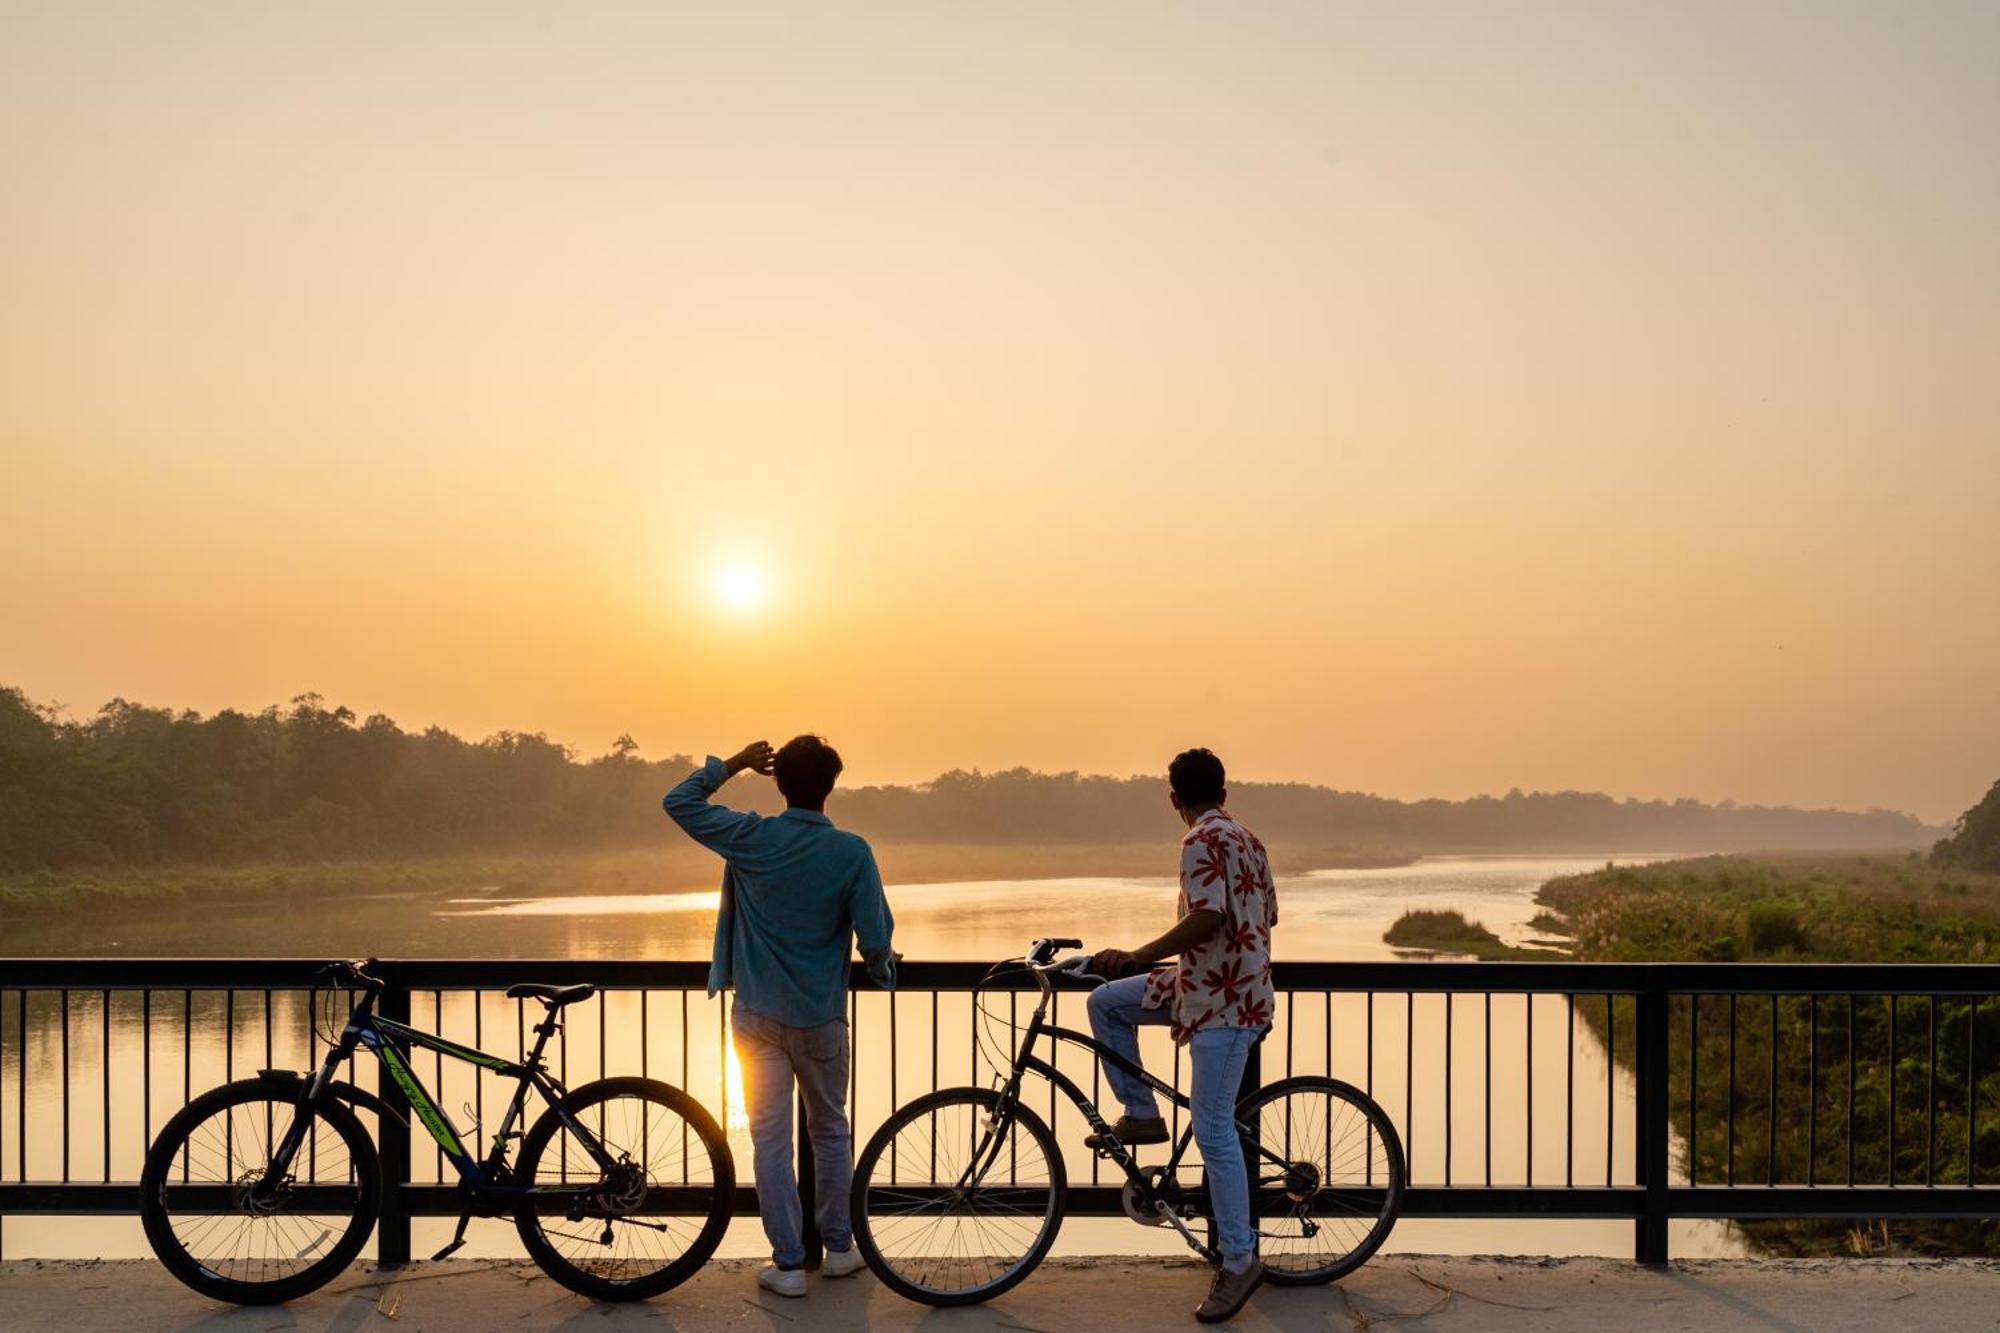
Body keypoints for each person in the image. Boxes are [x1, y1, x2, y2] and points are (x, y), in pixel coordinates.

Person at [665, 735, 896, 1299]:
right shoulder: (851, 852)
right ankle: (839, 1249)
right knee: (830, 1131)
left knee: (770, 1141)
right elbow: (877, 941)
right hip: (821, 1018)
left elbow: (680, 802)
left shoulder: (751, 837)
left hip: (758, 1017)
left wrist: (734, 765)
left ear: (779, 783)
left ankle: (789, 1263)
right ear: (831, 786)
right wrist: (885, 969)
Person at [1085, 747, 1277, 1324]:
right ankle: (1142, 1114)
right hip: (1211, 987)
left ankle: (1240, 1260)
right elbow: (1265, 916)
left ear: (1175, 800)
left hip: (1226, 1005)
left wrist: (1141, 954)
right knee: (1106, 1003)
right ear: (1224, 790)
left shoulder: (1198, 842)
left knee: (1215, 1129)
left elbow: (1209, 916)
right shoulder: (1250, 839)